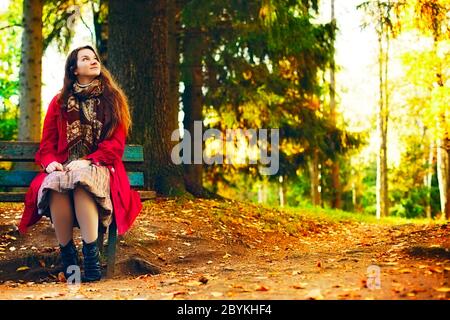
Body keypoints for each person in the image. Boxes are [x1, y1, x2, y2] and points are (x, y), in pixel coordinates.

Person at [19, 45, 142, 282]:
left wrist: (87, 161)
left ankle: (91, 260)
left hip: (102, 167)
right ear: (74, 69)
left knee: (81, 179)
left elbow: (115, 146)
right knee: (54, 181)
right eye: (86, 58)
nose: (94, 60)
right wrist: (51, 163)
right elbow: (47, 145)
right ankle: (69, 259)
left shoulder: (112, 99)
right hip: (65, 167)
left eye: (95, 57)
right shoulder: (59, 102)